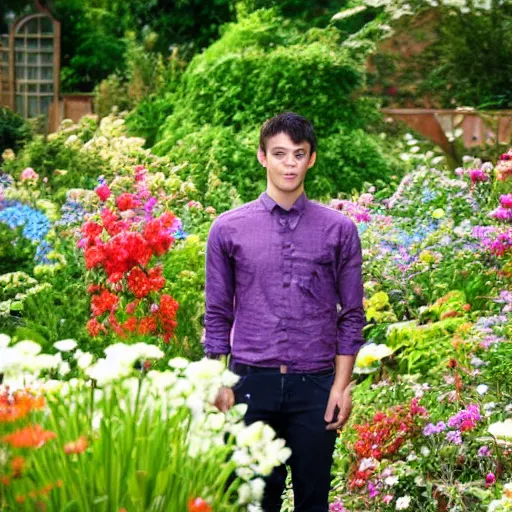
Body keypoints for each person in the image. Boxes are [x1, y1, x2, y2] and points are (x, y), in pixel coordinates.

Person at [204, 112, 366, 511]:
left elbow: (352, 313)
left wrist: (341, 386)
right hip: (248, 384)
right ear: (262, 157)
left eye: (298, 154)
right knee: (252, 500)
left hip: (315, 386)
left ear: (311, 159)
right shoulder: (228, 229)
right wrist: (217, 379)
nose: (289, 163)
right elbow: (217, 313)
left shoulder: (338, 229)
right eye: (280, 154)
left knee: (313, 500)